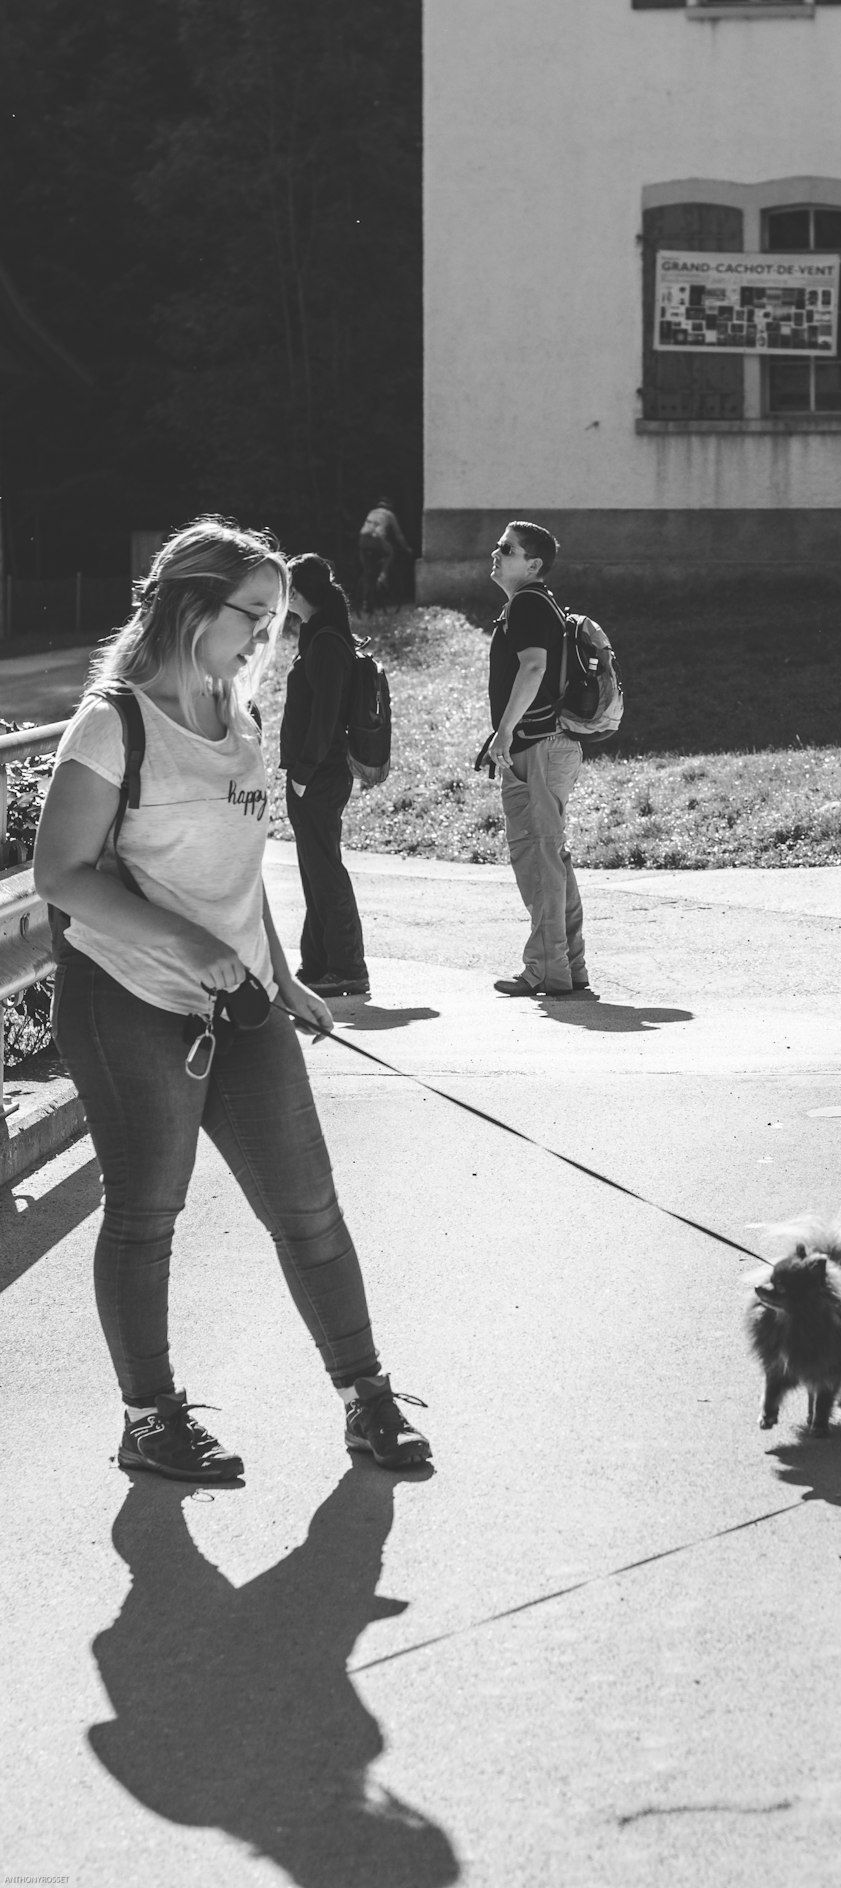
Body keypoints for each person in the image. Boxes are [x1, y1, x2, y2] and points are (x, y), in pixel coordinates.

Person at [33, 515, 431, 1483]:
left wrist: (282, 974)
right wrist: (189, 946)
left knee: (309, 1207)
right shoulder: (114, 721)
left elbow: (238, 870)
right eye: (253, 614)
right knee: (147, 1212)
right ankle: (151, 1417)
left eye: (276, 620)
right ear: (189, 603)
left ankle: (366, 1399)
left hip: (241, 998)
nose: (265, 636)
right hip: (129, 995)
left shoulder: (238, 713)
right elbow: (61, 872)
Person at [486, 520, 592, 999]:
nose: (496, 552)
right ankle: (568, 964)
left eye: (506, 548)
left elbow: (534, 667)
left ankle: (545, 971)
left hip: (538, 748)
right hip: (547, 745)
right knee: (550, 858)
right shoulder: (538, 603)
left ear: (532, 564)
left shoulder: (529, 601)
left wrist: (505, 732)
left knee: (537, 858)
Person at [280, 552, 369, 1000]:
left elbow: (325, 716)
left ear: (298, 594)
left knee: (325, 871)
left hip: (320, 773)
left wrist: (304, 771)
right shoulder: (318, 635)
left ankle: (348, 967)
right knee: (315, 869)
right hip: (313, 772)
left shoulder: (329, 642)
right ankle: (318, 965)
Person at [358, 496, 410, 613]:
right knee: (390, 553)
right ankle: (383, 575)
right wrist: (406, 547)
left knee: (368, 572)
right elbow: (398, 534)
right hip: (377, 540)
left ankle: (366, 602)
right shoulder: (389, 514)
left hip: (362, 539)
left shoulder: (372, 512)